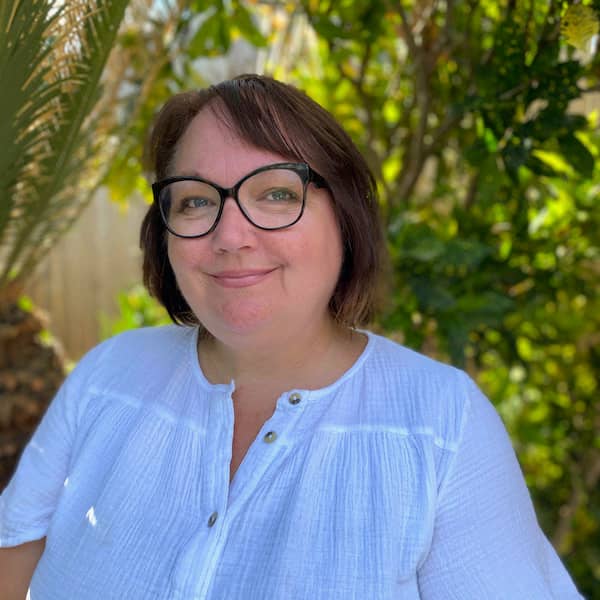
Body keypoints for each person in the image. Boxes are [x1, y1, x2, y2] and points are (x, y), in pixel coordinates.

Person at [0, 74, 583, 599]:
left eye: (276, 193)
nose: (231, 235)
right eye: (197, 200)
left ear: (346, 213)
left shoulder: (441, 428)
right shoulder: (108, 377)